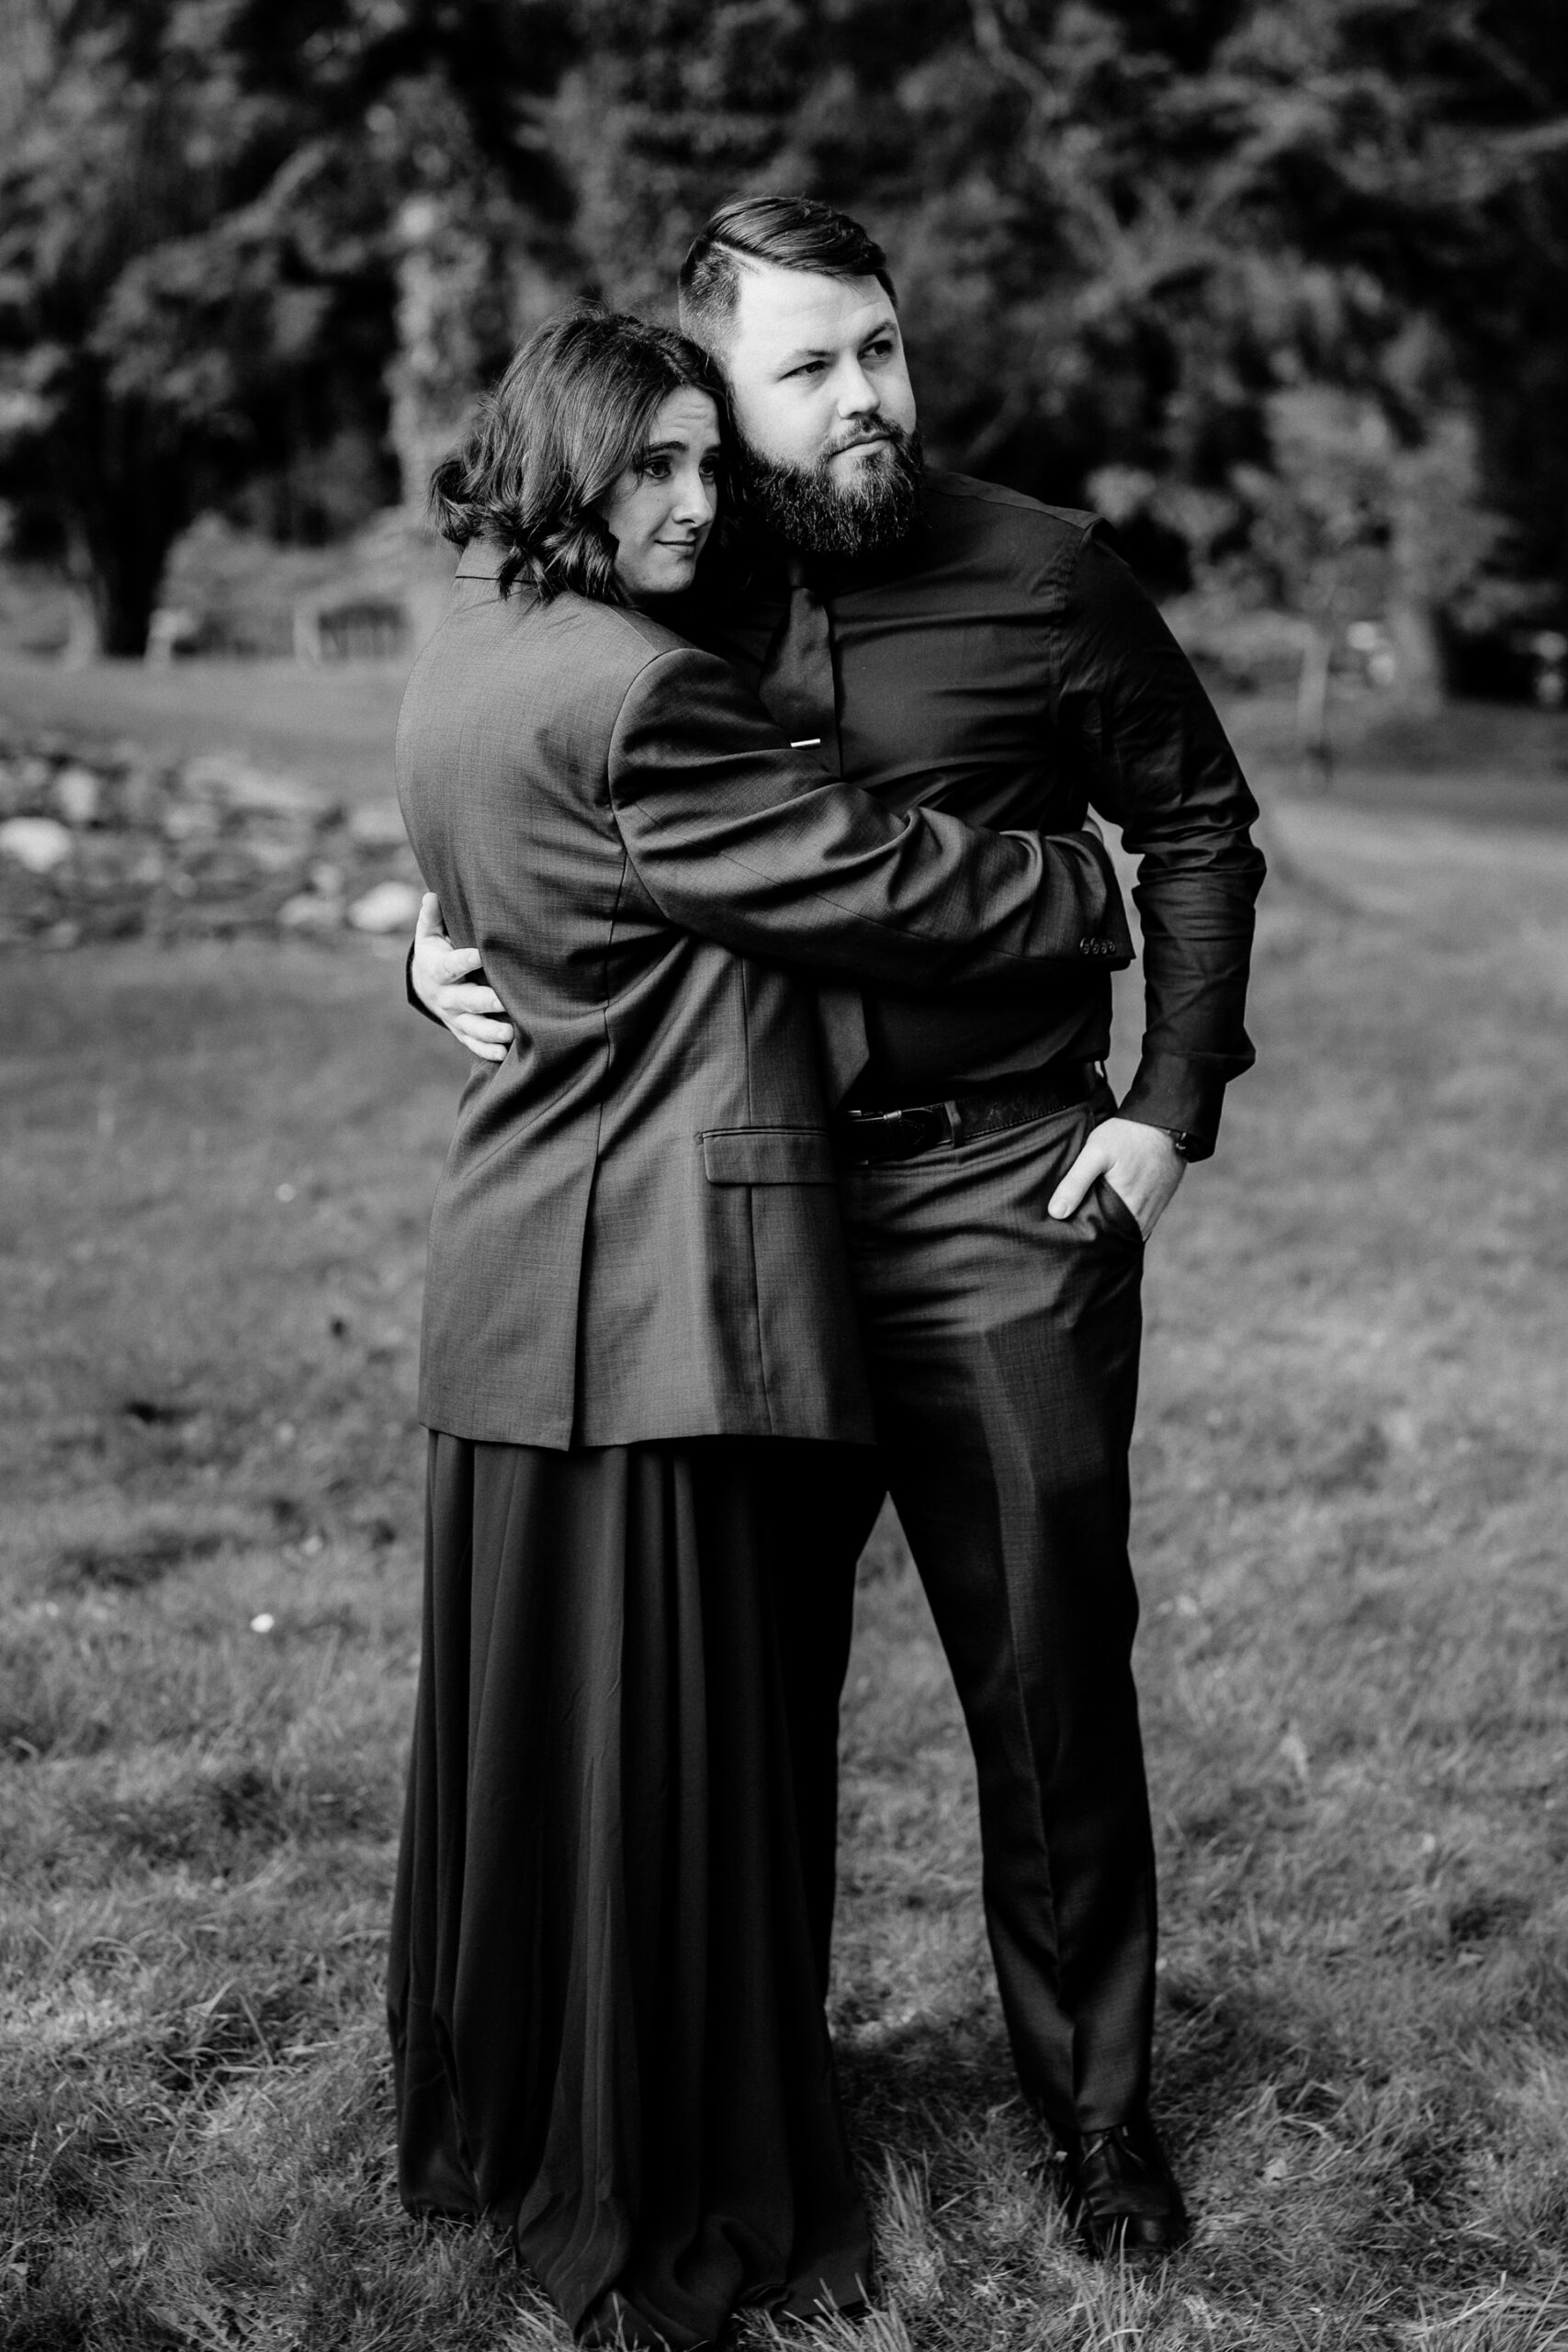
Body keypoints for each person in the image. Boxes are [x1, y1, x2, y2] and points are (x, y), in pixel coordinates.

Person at [412, 196, 1267, 2265]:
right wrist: (426, 961)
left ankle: (1091, 2111)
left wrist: (1164, 1105)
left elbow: (1191, 821)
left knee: (1046, 1667)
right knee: (736, 1671)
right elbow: (538, 806)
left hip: (1000, 1194)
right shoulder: (668, 571)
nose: (862, 395)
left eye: (878, 349)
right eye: (807, 368)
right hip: (737, 1222)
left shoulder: (1042, 570)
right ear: (709, 390)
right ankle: (748, 2074)